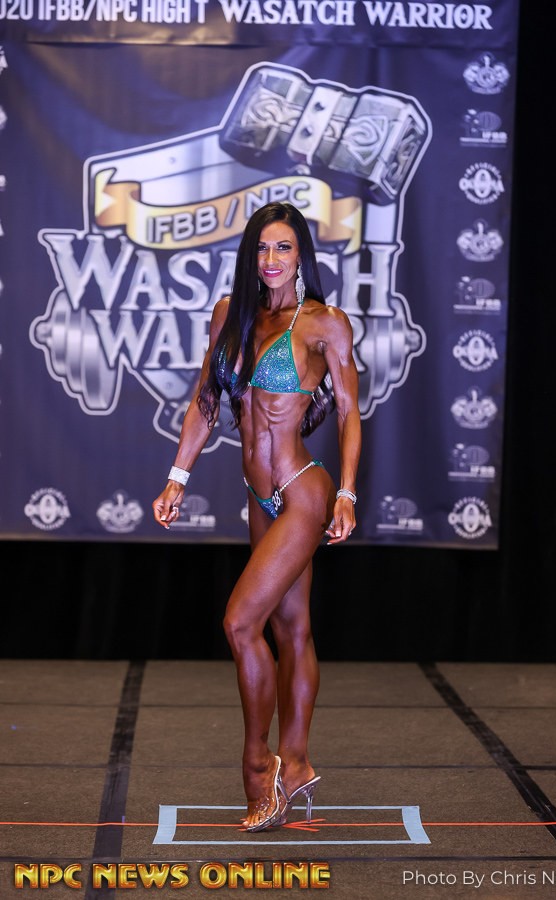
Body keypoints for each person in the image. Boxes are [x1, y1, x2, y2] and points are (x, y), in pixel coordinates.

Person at [152, 201, 361, 832]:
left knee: (241, 623)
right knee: (291, 630)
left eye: (284, 248)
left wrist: (347, 493)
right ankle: (296, 764)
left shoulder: (324, 322)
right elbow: (205, 401)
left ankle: (258, 766)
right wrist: (177, 477)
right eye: (262, 248)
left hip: (302, 492)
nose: (271, 259)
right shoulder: (230, 314)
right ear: (251, 255)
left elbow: (348, 412)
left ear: (301, 257)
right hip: (257, 494)